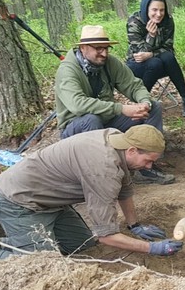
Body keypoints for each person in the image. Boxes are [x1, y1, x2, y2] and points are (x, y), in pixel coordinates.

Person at [0, 125, 183, 260]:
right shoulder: (103, 169)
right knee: (44, 263)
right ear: (132, 150)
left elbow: (125, 189)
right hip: (20, 202)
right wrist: (152, 248)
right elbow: (106, 235)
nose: (150, 166)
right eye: (149, 160)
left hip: (50, 202)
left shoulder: (115, 138)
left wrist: (134, 225)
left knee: (82, 246)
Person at [55, 24, 173, 184]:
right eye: (98, 49)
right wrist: (122, 109)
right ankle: (101, 176)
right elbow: (78, 105)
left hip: (107, 121)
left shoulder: (109, 63)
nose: (104, 53)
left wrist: (144, 102)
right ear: (83, 48)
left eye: (106, 48)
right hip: (76, 129)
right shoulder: (67, 70)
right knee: (91, 120)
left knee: (154, 106)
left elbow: (133, 85)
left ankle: (145, 166)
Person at [126, 0, 185, 118]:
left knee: (168, 58)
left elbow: (168, 49)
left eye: (162, 10)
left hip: (161, 62)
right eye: (154, 10)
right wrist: (151, 36)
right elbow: (140, 53)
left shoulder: (167, 21)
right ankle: (141, 103)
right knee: (155, 62)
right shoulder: (134, 22)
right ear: (146, 8)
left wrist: (151, 54)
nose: (159, 14)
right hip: (136, 64)